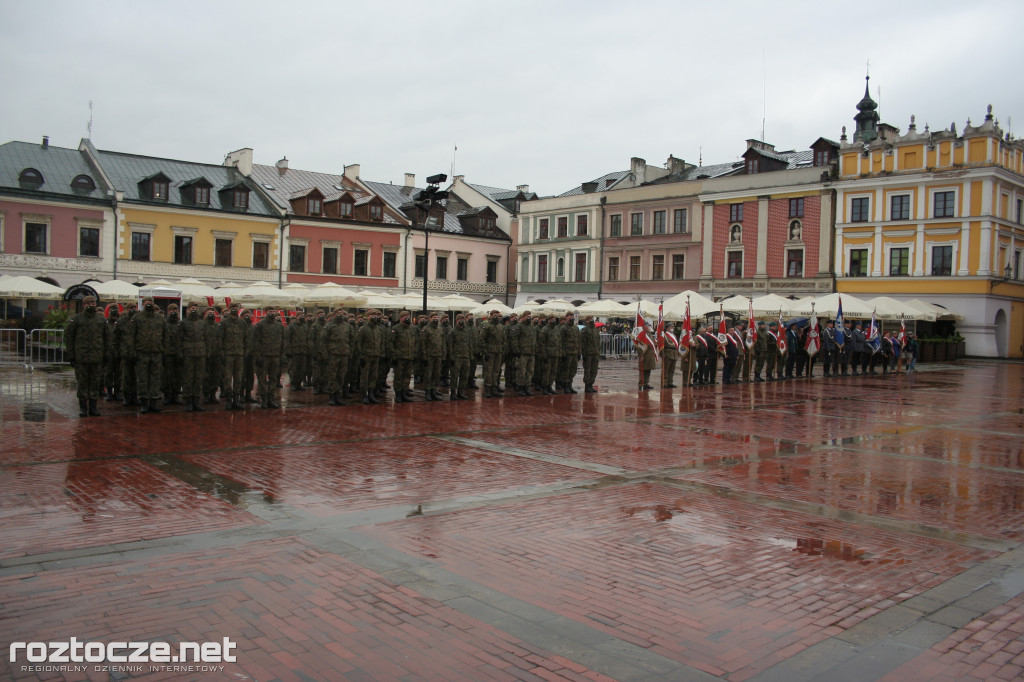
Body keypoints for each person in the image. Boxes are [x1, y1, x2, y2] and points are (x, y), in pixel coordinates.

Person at [65, 295, 110, 417]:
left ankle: (93, 407)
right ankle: (83, 408)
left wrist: (106, 355)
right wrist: (71, 355)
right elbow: (69, 338)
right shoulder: (77, 320)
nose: (91, 305)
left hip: (97, 357)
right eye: (88, 303)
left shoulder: (101, 320)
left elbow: (107, 338)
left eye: (93, 303)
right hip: (81, 357)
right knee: (83, 383)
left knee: (95, 382)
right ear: (84, 305)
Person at [129, 297, 166, 414]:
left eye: (151, 302)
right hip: (142, 353)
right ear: (143, 304)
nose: (149, 304)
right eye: (147, 302)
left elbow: (165, 336)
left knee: (155, 379)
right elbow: (131, 337)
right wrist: (133, 353)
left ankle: (154, 402)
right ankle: (144, 403)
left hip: (156, 353)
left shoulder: (160, 318)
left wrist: (164, 351)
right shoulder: (137, 318)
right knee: (143, 379)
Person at [252, 307, 285, 408]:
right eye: (270, 312)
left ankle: (271, 398)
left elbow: (283, 342)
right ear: (266, 313)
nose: (271, 313)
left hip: (275, 355)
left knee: (273, 378)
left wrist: (282, 355)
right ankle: (264, 400)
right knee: (262, 378)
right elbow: (256, 341)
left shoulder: (279, 326)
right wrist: (258, 356)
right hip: (264, 356)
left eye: (273, 311)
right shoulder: (260, 325)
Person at [180, 302, 207, 412]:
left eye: (196, 308)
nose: (194, 310)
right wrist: (180, 353)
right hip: (188, 353)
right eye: (192, 308)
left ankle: (196, 400)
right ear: (188, 310)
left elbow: (206, 338)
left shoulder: (202, 323)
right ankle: (188, 401)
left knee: (198, 378)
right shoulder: (183, 323)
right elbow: (179, 339)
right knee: (188, 378)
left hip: (200, 353)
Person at [220, 305, 248, 410]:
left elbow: (246, 339)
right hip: (228, 355)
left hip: (239, 354)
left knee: (238, 378)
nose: (234, 310)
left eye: (236, 308)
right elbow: (220, 340)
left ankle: (236, 400)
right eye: (232, 308)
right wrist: (222, 354)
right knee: (227, 378)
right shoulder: (224, 323)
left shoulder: (242, 323)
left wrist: (245, 352)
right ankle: (228, 400)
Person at [356, 309, 386, 404]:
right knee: (365, 377)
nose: (374, 316)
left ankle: (371, 394)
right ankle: (364, 395)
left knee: (373, 376)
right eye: (371, 315)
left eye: (375, 315)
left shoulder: (378, 329)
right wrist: (361, 356)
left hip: (375, 356)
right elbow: (358, 343)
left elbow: (381, 342)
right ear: (367, 317)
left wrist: (381, 353)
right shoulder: (363, 329)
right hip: (366, 356)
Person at [509, 310, 537, 396]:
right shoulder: (518, 327)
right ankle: (520, 387)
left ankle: (526, 387)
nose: (529, 318)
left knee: (530, 371)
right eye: (527, 316)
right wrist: (516, 350)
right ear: (523, 317)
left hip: (531, 352)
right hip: (522, 353)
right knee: (521, 371)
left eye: (530, 316)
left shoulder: (532, 327)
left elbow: (534, 339)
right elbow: (514, 339)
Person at [391, 310, 417, 402]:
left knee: (407, 376)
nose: (407, 318)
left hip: (409, 356)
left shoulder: (412, 328)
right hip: (399, 357)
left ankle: (404, 392)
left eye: (408, 316)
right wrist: (393, 357)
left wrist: (415, 354)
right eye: (405, 316)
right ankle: (398, 394)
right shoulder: (396, 328)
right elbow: (391, 344)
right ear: (401, 318)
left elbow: (415, 342)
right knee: (398, 376)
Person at [479, 309, 506, 397]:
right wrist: (484, 352)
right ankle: (488, 389)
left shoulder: (501, 326)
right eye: (494, 314)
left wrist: (503, 349)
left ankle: (494, 388)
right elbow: (482, 339)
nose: (496, 316)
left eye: (497, 315)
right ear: (491, 315)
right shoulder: (487, 326)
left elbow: (504, 339)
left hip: (498, 352)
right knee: (489, 371)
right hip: (490, 352)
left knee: (496, 371)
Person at [420, 311, 446, 401]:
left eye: (436, 317)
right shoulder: (426, 329)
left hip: (438, 355)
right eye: (433, 317)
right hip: (429, 356)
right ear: (430, 319)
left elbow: (443, 343)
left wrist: (443, 355)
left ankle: (434, 391)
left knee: (436, 374)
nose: (435, 319)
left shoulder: (440, 329)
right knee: (428, 375)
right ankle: (427, 393)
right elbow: (422, 344)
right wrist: (424, 357)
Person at [448, 313, 473, 400]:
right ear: (457, 321)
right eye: (460, 319)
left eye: (463, 319)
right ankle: (453, 393)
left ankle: (460, 392)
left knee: (464, 375)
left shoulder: (467, 331)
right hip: (457, 357)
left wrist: (470, 355)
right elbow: (450, 345)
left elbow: (469, 344)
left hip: (465, 356)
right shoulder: (453, 331)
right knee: (454, 375)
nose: (462, 321)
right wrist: (451, 357)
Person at [162, 303, 183, 405]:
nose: (174, 312)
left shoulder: (181, 324)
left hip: (178, 354)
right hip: (168, 354)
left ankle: (175, 396)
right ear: (168, 311)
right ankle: (167, 396)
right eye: (171, 310)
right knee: (167, 376)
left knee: (178, 376)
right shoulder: (164, 323)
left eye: (175, 310)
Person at [285, 310, 309, 390]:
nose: (302, 316)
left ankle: (299, 384)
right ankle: (293, 384)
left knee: (302, 369)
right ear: (297, 317)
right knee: (293, 369)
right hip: (294, 351)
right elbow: (287, 339)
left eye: (303, 315)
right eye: (300, 315)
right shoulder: (291, 326)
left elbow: (307, 339)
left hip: (303, 350)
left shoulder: (305, 326)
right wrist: (288, 350)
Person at [558, 313, 581, 394]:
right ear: (566, 317)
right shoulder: (563, 328)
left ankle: (570, 385)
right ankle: (565, 386)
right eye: (569, 316)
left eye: (572, 316)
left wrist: (579, 352)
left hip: (574, 352)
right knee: (566, 370)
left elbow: (578, 341)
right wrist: (563, 353)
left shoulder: (575, 328)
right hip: (567, 353)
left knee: (573, 370)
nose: (571, 318)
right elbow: (561, 341)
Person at [103, 305, 122, 402]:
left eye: (116, 310)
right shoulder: (105, 323)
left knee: (119, 373)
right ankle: (109, 392)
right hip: (109, 352)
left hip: (119, 352)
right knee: (109, 373)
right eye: (112, 310)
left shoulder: (121, 322)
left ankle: (117, 392)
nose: (114, 312)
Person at [580, 315, 601, 393]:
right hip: (588, 353)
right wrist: (584, 353)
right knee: (587, 370)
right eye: (590, 319)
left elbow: (598, 342)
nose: (591, 320)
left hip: (595, 353)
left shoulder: (596, 330)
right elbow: (583, 343)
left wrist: (599, 351)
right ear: (587, 321)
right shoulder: (584, 330)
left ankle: (591, 384)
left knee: (594, 370)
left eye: (592, 319)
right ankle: (587, 386)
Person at [635, 325, 656, 390]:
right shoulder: (642, 335)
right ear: (645, 328)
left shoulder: (650, 335)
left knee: (648, 370)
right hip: (644, 355)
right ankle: (641, 383)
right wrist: (641, 355)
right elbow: (639, 346)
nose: (650, 328)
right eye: (648, 327)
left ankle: (646, 383)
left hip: (650, 355)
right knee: (643, 370)